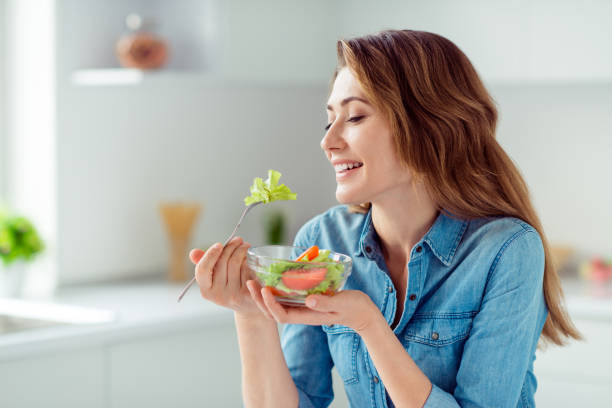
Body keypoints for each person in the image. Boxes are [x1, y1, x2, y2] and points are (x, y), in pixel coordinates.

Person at [189, 29, 581, 408]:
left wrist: (369, 324)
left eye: (355, 117)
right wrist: (251, 314)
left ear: (429, 127)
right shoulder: (323, 240)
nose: (328, 141)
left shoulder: (506, 251)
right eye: (330, 120)